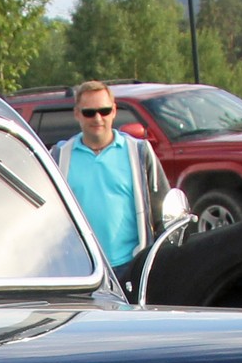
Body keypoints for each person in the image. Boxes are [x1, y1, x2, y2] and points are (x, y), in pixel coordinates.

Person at [51, 81, 167, 271]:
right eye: (89, 113)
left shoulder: (139, 153)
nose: (98, 118)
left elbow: (162, 213)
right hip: (81, 269)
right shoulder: (59, 156)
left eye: (104, 111)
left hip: (131, 265)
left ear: (114, 111)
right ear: (77, 113)